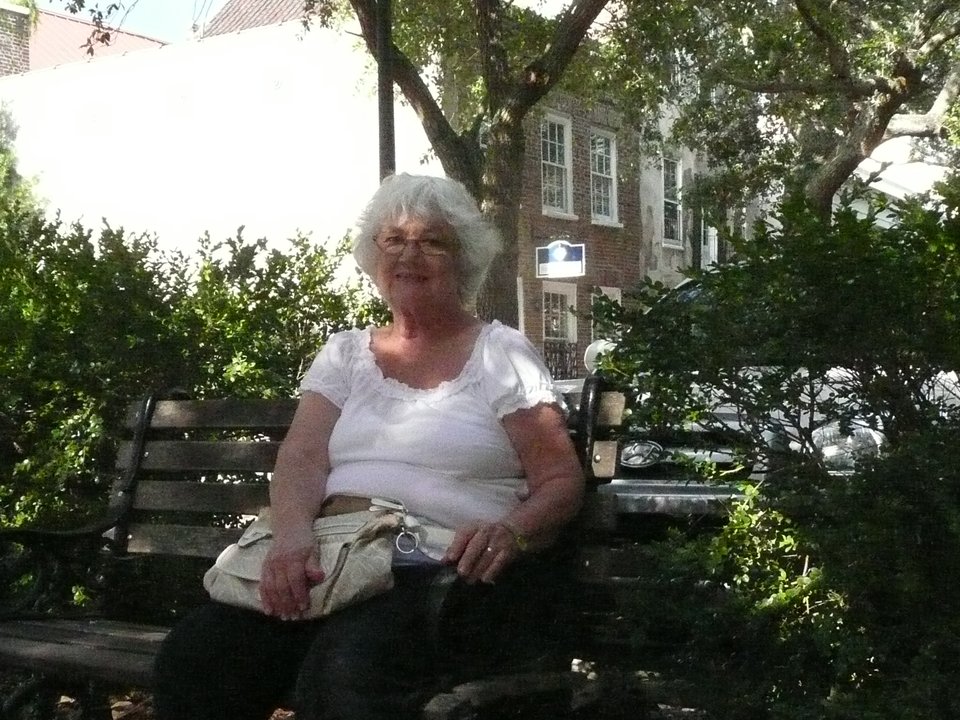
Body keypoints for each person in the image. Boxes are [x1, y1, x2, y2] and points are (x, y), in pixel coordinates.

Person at [153, 173, 585, 720]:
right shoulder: (345, 355)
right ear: (373, 255)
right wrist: (291, 540)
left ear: (464, 259)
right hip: (333, 563)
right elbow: (302, 459)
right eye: (394, 240)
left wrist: (512, 531)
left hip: (439, 575)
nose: (410, 255)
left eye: (432, 241)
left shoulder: (500, 354)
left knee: (346, 670)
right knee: (197, 656)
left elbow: (560, 480)